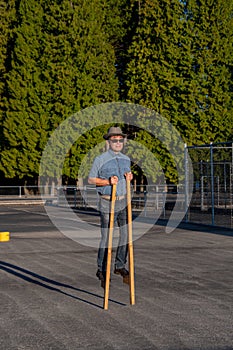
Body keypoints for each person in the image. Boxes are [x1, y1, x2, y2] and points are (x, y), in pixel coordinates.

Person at [88, 126, 133, 286]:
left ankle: (120, 265)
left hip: (123, 200)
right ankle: (102, 269)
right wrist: (107, 182)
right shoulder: (100, 159)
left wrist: (129, 177)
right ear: (109, 141)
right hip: (107, 201)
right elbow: (91, 179)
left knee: (126, 236)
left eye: (121, 140)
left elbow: (126, 178)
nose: (118, 142)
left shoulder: (126, 159)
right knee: (107, 237)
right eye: (115, 140)